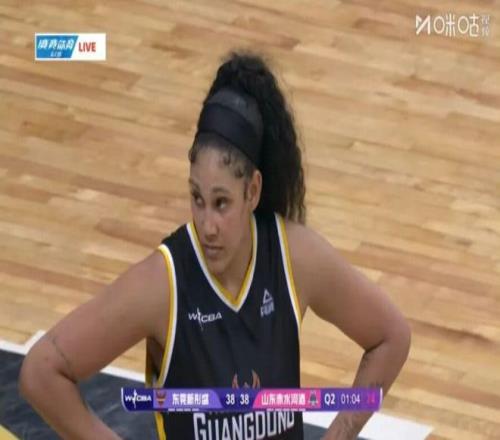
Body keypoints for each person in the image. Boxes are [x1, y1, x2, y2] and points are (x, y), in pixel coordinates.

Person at [19, 51, 411, 440]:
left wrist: (339, 435)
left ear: (252, 191)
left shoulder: (296, 258)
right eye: (197, 198)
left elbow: (390, 337)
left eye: (221, 203)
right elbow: (42, 372)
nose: (207, 225)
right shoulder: (163, 285)